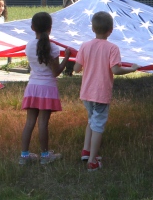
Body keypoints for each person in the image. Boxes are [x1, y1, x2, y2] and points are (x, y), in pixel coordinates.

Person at [73, 11, 139, 171]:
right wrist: (132, 69)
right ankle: (93, 161)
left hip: (86, 93)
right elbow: (115, 70)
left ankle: (86, 150)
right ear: (111, 30)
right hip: (101, 94)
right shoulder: (112, 48)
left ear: (93, 29)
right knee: (98, 126)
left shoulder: (84, 46)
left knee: (91, 121)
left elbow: (76, 69)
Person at [19, 12, 72, 165]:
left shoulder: (29, 46)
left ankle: (24, 155)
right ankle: (45, 155)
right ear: (50, 28)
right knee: (43, 123)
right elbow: (56, 72)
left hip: (32, 87)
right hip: (47, 88)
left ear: (32, 27)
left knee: (29, 122)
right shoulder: (53, 48)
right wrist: (66, 57)